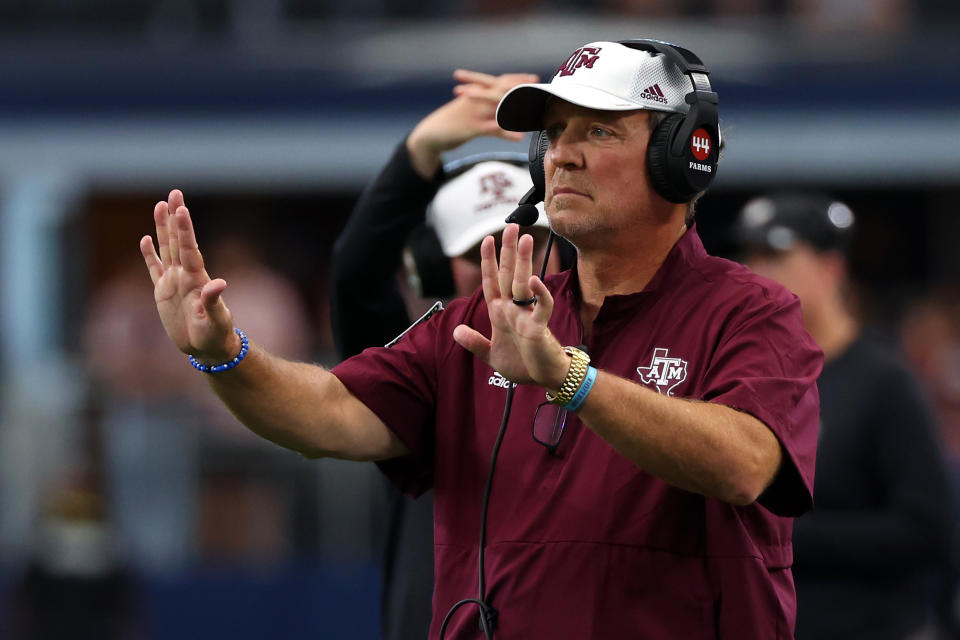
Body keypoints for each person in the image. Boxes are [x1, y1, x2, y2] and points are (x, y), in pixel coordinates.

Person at [139, 39, 821, 638]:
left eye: (601, 132)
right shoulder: (476, 323)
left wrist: (570, 379)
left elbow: (746, 464)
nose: (565, 157)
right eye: (555, 133)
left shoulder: (753, 311)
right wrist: (223, 355)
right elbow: (328, 413)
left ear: (684, 155)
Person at [330, 69, 563, 640]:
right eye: (480, 249)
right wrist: (420, 152)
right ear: (433, 268)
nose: (509, 263)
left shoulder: (614, 347)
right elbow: (356, 278)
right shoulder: (420, 369)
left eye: (526, 242)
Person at [734, 192, 957, 640]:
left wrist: (782, 535)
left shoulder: (882, 379)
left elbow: (929, 529)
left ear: (830, 267)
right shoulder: (748, 376)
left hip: (868, 624)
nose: (757, 272)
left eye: (776, 255)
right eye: (751, 256)